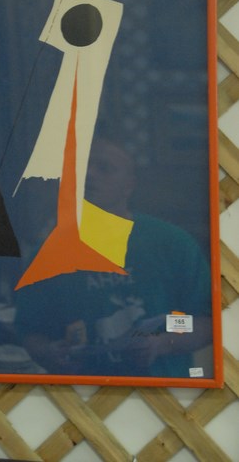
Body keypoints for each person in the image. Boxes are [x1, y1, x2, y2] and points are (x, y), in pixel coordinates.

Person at [14, 140, 213, 378]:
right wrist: (48, 353)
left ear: (128, 185)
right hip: (82, 392)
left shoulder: (172, 243)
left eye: (105, 168)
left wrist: (162, 343)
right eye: (81, 168)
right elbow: (31, 332)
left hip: (164, 392)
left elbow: (206, 321)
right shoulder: (48, 255)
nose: (89, 174)